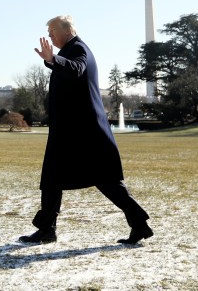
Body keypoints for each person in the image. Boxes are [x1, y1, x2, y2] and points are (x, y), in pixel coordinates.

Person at [19, 15, 153, 245]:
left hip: (85, 133)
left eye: (52, 31)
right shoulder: (69, 50)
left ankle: (139, 224)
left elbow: (76, 69)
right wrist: (52, 60)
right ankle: (47, 229)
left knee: (105, 181)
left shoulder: (79, 49)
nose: (50, 36)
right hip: (73, 131)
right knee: (54, 178)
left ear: (67, 31)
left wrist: (54, 60)